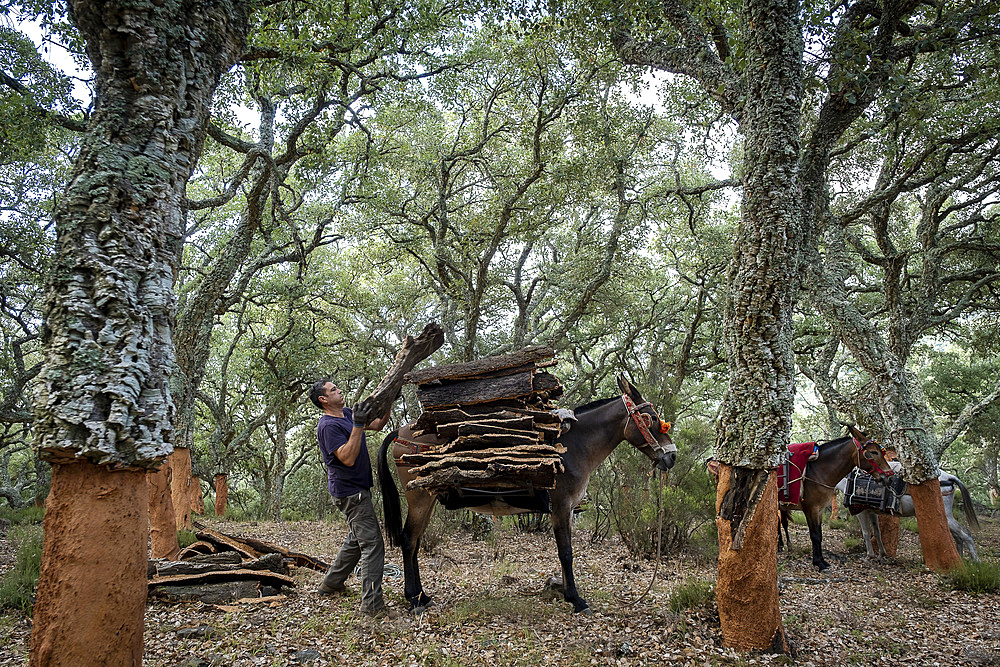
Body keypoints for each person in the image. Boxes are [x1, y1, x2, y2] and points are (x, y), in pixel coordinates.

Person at [309, 379, 396, 618]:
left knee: (356, 540)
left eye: (337, 387)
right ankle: (372, 606)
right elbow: (346, 457)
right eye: (333, 390)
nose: (339, 390)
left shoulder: (346, 413)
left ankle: (331, 584)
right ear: (323, 400)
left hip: (357, 488)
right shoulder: (327, 426)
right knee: (372, 544)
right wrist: (357, 425)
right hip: (350, 492)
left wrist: (388, 401)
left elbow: (377, 425)